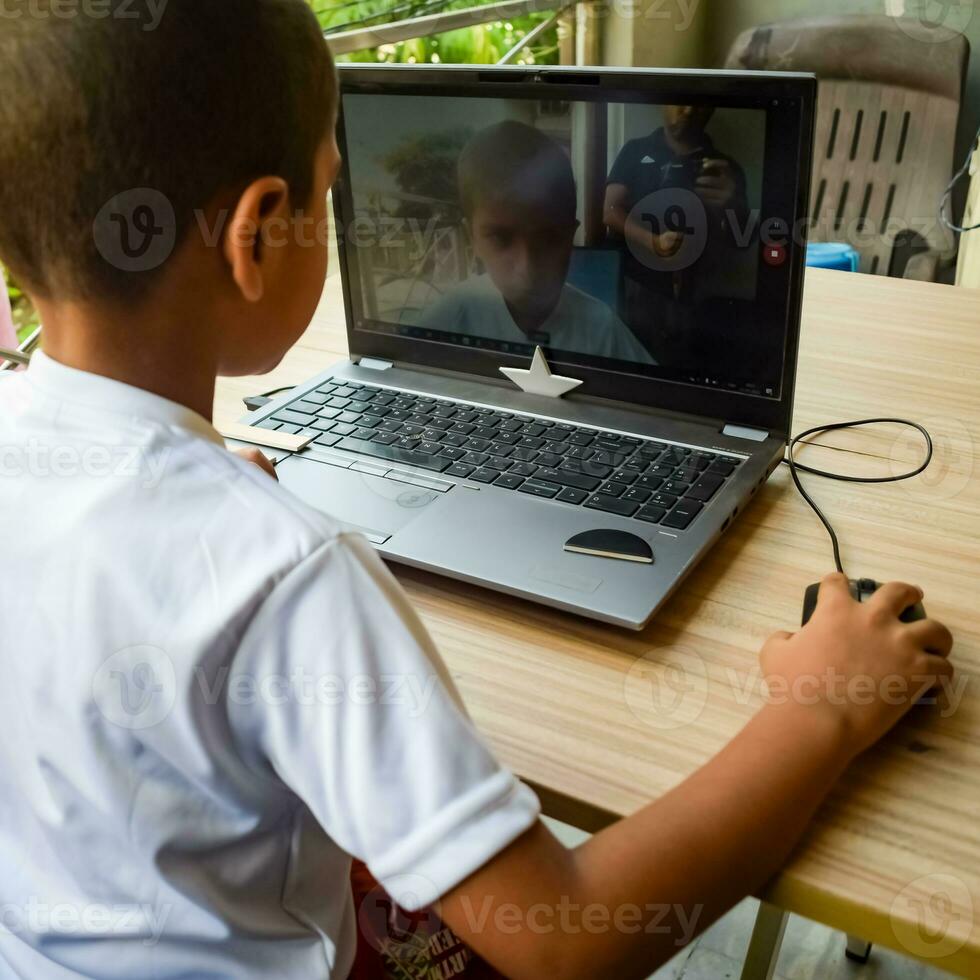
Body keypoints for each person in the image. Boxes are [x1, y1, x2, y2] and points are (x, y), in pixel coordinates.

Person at [0, 4, 955, 979]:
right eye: (330, 199)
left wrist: (191, 514)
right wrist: (823, 706)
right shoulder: (284, 576)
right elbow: (566, 936)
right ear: (253, 239)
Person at [421, 121, 655, 366]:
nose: (527, 268)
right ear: (473, 240)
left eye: (549, 238)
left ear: (570, 237)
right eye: (501, 238)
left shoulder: (602, 329)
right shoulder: (451, 315)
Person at [604, 105, 750, 365]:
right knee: (631, 365)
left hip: (701, 298)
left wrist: (732, 202)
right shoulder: (636, 149)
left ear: (711, 109)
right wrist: (653, 242)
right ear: (663, 104)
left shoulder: (725, 168)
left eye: (699, 102)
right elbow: (610, 212)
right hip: (635, 287)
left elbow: (741, 242)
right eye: (679, 100)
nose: (689, 110)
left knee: (686, 370)